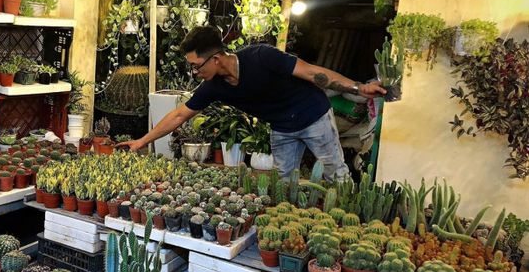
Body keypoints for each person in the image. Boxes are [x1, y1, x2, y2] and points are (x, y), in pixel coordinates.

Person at [119, 26, 385, 181]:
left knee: (336, 174)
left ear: (216, 58)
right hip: (282, 127)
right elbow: (179, 115)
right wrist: (142, 141)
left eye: (196, 66)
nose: (194, 73)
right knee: (283, 183)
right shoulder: (213, 86)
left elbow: (312, 73)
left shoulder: (261, 57)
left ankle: (349, 226)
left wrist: (358, 88)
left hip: (313, 115)